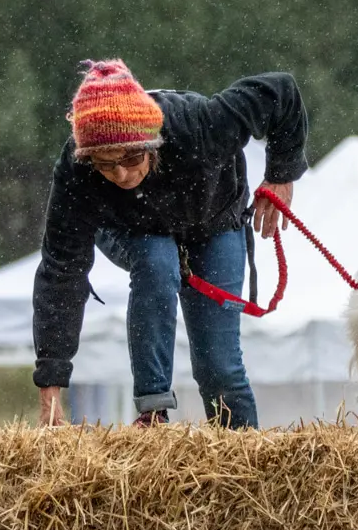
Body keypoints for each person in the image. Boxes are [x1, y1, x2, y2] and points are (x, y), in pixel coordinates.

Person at [32, 59, 309, 428]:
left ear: (152, 142)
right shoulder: (75, 170)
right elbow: (61, 272)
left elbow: (282, 91)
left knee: (220, 367)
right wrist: (50, 389)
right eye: (105, 165)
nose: (122, 174)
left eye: (131, 157)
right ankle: (153, 412)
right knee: (156, 258)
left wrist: (281, 175)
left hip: (214, 221)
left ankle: (246, 456)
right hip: (128, 229)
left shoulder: (200, 123)